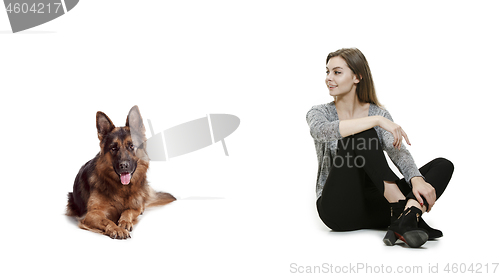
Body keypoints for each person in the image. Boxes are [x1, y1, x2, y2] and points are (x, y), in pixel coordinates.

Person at [306, 48, 454, 248]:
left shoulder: (378, 112)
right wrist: (375, 120)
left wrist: (416, 179)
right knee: (361, 133)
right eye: (327, 72)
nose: (329, 78)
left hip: (377, 206)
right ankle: (402, 207)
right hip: (338, 208)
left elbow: (397, 152)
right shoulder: (319, 112)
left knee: (443, 165)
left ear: (357, 77)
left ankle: (406, 217)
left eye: (337, 72)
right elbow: (321, 131)